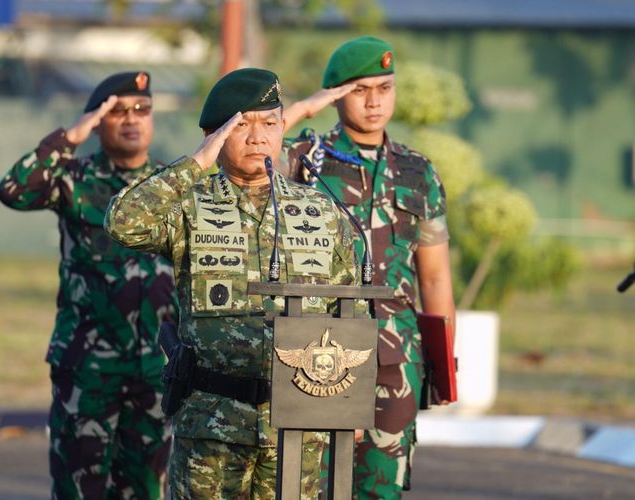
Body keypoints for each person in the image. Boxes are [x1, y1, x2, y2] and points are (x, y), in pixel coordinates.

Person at [105, 68, 360, 499]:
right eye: (242, 125)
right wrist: (195, 163)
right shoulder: (189, 206)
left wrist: (347, 403)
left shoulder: (321, 209)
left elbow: (350, 307)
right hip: (212, 426)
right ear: (215, 135)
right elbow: (122, 222)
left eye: (270, 123)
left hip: (299, 425)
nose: (259, 137)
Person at [281, 36, 456, 499]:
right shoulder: (304, 160)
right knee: (309, 488)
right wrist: (306, 106)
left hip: (396, 360)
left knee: (383, 490)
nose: (375, 101)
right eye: (360, 90)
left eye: (385, 87)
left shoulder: (419, 172)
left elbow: (434, 276)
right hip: (318, 352)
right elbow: (242, 147)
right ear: (336, 95)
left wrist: (442, 367)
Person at [0, 71, 176, 500]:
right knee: (79, 487)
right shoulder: (74, 178)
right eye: (117, 112)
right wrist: (72, 135)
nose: (132, 120)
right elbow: (13, 190)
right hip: (88, 367)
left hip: (156, 365)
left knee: (148, 489)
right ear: (99, 121)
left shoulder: (171, 186)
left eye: (142, 110)